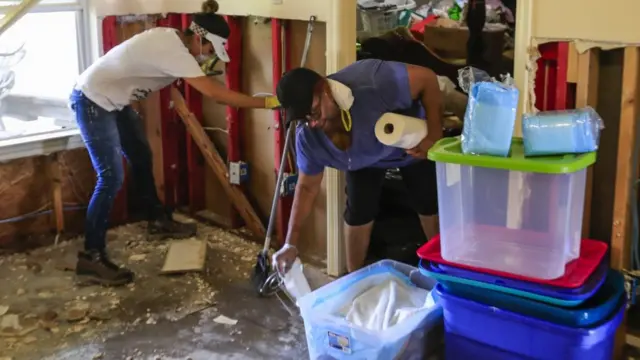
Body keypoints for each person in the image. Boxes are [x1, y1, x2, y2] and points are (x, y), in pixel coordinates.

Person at [69, 0, 280, 286]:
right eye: (208, 50)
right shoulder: (173, 50)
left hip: (113, 101)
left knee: (141, 157)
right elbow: (217, 95)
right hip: (92, 100)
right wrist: (269, 102)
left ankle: (157, 220)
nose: (207, 58)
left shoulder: (173, 42)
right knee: (110, 177)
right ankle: (90, 257)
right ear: (200, 37)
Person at [272, 59, 443, 274]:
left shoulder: (374, 83)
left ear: (326, 89)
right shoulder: (308, 139)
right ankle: (356, 279)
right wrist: (290, 243)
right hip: (363, 159)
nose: (313, 123)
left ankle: (442, 271)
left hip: (410, 146)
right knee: (358, 211)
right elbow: (306, 188)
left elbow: (427, 77)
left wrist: (435, 135)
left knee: (428, 203)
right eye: (304, 119)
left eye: (314, 112)